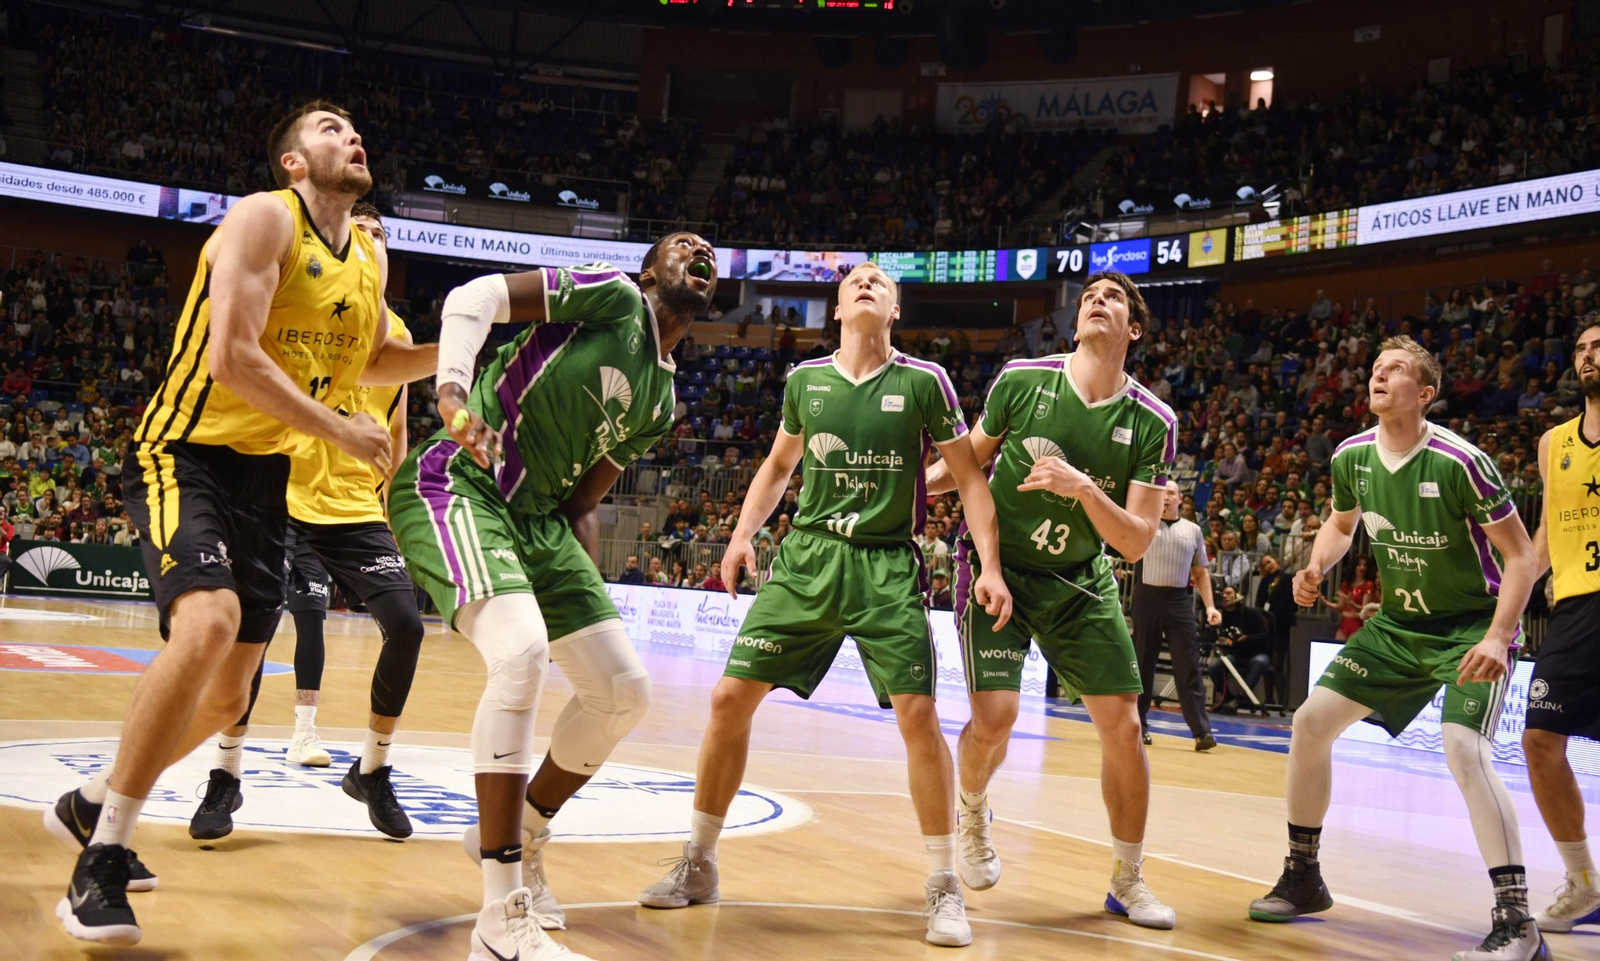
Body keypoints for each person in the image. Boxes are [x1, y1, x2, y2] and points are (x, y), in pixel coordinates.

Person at [41, 101, 433, 947]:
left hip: (265, 474)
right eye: (328, 128)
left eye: (354, 126)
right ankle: (103, 858)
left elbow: (370, 362)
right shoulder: (263, 217)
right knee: (210, 622)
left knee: (228, 695)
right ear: (293, 163)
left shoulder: (365, 259)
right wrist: (344, 429)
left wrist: (469, 345)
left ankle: (90, 803)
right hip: (186, 449)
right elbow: (233, 356)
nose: (350, 134)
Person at [637, 262, 1013, 949]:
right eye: (856, 281)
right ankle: (699, 860)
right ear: (836, 309)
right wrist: (742, 535)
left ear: (894, 310)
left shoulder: (925, 382)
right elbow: (780, 466)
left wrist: (990, 565)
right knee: (727, 698)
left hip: (886, 565)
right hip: (808, 557)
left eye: (880, 281)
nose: (867, 284)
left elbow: (969, 477)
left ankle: (941, 882)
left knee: (918, 714)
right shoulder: (806, 382)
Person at [389, 233, 722, 961]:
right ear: (649, 269)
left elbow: (583, 499)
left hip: (540, 522)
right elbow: (472, 298)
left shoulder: (662, 401)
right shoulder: (613, 295)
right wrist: (450, 390)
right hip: (461, 483)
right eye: (682, 243)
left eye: (709, 250)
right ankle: (498, 913)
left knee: (623, 689)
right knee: (522, 653)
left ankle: (523, 834)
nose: (700, 248)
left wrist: (585, 589)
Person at [1247, 336, 1544, 961]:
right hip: (1397, 629)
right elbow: (1341, 523)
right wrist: (1317, 565)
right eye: (1376, 369)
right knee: (1309, 724)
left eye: (1397, 371)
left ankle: (1517, 920)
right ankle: (1304, 875)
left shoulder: (1462, 462)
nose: (1379, 377)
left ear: (1425, 394)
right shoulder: (1352, 457)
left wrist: (1498, 635)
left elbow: (1521, 556)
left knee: (1464, 749)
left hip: (1469, 628)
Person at [927, 270, 1185, 930]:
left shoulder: (1154, 420)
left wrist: (1082, 489)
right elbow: (965, 465)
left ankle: (1128, 878)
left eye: (1115, 299)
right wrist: (901, 488)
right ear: (1075, 325)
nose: (1098, 301)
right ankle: (974, 806)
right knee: (997, 719)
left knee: (1125, 730)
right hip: (1000, 566)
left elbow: (1134, 543)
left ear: (1133, 329)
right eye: (1090, 297)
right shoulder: (1023, 379)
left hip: (1078, 579)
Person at [186, 205, 430, 842]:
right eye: (362, 232)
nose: (370, 240)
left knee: (405, 624)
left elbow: (398, 432)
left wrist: (395, 506)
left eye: (381, 235)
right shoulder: (301, 305)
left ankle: (373, 768)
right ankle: (226, 773)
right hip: (280, 493)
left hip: (354, 507)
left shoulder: (396, 336)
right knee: (255, 636)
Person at [1524, 318, 1600, 933]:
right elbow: (1548, 532)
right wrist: (1506, 593)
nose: (1589, 357)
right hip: (1574, 607)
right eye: (1580, 349)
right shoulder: (1554, 442)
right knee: (1540, 740)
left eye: (1599, 346)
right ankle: (1582, 884)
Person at [1135, 481, 1221, 749]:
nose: (1166, 496)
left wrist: (1210, 607)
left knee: (1188, 664)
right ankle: (1138, 727)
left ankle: (1201, 732)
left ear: (1180, 499)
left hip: (1178, 600)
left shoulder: (1193, 530)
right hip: (1146, 596)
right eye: (1162, 492)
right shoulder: (1143, 523)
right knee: (1141, 664)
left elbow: (1200, 573)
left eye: (1171, 492)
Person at [1205, 585, 1273, 713]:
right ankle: (1227, 698)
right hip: (1236, 654)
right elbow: (1212, 636)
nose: (1225, 596)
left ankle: (1241, 698)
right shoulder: (1221, 616)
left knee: (1258, 662)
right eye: (1223, 594)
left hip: (1257, 652)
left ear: (1237, 596)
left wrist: (1246, 638)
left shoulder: (1251, 613)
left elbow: (1265, 635)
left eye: (1229, 593)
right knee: (1214, 666)